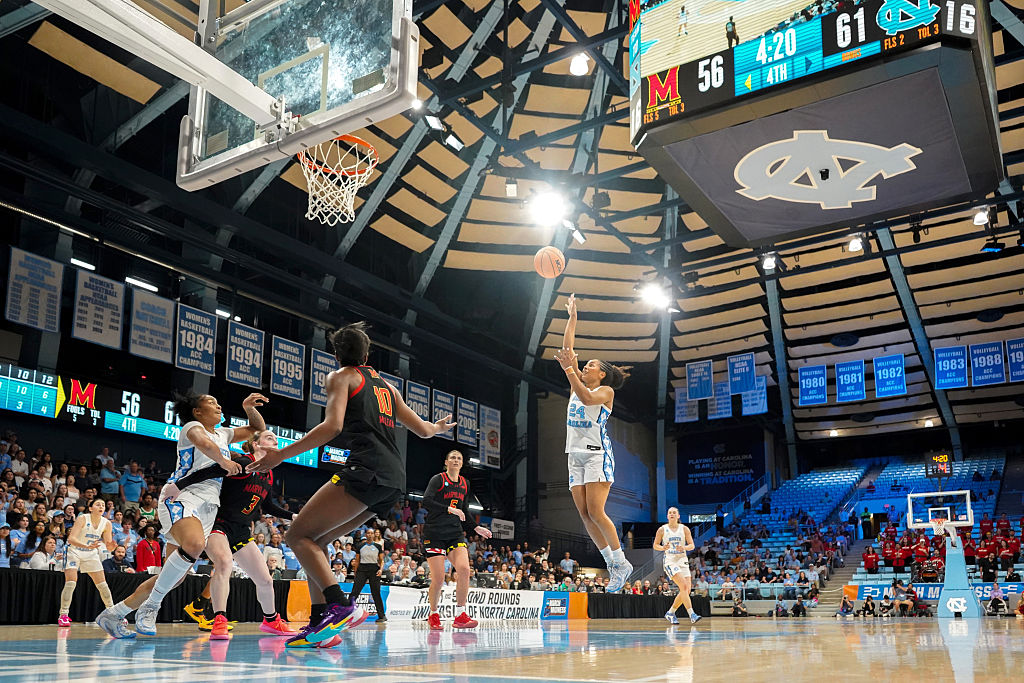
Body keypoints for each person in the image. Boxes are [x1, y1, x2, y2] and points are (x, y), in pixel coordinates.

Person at [247, 321, 455, 647]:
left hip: (365, 469)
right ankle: (321, 627)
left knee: (296, 534)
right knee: (316, 540)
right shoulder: (388, 387)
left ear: (336, 354)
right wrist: (439, 428)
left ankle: (340, 604)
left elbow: (332, 427)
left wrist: (281, 454)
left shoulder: (341, 377)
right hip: (392, 480)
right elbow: (425, 431)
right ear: (367, 353)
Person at [94, 391, 265, 639]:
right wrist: (225, 461)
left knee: (173, 578)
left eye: (218, 402)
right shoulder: (192, 427)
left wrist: (248, 407)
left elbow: (257, 429)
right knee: (195, 545)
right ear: (197, 411)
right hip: (181, 495)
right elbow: (204, 444)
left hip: (208, 506)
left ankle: (113, 614)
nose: (218, 405)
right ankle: (151, 607)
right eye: (211, 403)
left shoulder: (224, 433)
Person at [161, 428, 296, 639]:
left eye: (277, 439)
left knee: (265, 580)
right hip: (218, 523)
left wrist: (292, 516)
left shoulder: (268, 473)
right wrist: (178, 486)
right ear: (256, 444)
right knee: (224, 563)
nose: (276, 441)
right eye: (270, 437)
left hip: (241, 529)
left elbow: (267, 505)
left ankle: (271, 621)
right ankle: (219, 621)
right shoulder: (244, 463)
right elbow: (210, 472)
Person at [553, 294, 632, 591]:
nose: (584, 366)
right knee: (584, 515)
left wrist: (570, 369)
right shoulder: (577, 382)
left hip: (597, 454)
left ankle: (622, 561)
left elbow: (586, 397)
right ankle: (613, 565)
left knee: (597, 512)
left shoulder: (605, 391)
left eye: (590, 366)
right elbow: (568, 350)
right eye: (583, 365)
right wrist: (573, 318)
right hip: (574, 455)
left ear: (601, 373)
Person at [421, 449, 493, 630]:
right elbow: (426, 501)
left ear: (461, 464)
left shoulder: (465, 483)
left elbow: (465, 511)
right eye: (452, 457)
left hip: (454, 533)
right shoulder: (438, 479)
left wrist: (475, 527)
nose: (455, 460)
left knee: (464, 569)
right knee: (438, 579)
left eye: (459, 458)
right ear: (446, 462)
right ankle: (433, 614)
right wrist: (449, 509)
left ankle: (460, 614)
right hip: (435, 533)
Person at [59, 498, 117, 626]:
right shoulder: (83, 518)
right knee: (71, 583)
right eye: (97, 504)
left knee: (103, 585)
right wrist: (86, 546)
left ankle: (113, 614)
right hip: (74, 551)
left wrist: (113, 546)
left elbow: (108, 546)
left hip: (91, 553)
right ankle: (63, 615)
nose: (101, 506)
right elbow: (71, 539)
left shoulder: (106, 523)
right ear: (90, 508)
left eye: (103, 504)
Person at [653, 507, 701, 625]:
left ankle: (670, 612)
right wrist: (663, 547)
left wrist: (683, 547)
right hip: (670, 560)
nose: (672, 514)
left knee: (687, 590)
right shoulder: (662, 529)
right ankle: (692, 614)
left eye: (674, 512)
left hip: (682, 559)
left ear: (678, 516)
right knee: (683, 586)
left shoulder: (684, 529)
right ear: (667, 516)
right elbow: (655, 545)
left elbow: (692, 545)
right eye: (670, 513)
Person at [349, 528, 386, 624]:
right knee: (354, 592)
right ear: (366, 534)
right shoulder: (360, 546)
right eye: (368, 533)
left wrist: (381, 570)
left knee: (376, 593)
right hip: (362, 569)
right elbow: (357, 561)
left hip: (374, 570)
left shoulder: (378, 546)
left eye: (371, 533)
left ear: (374, 535)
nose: (370, 535)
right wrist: (356, 573)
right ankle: (346, 614)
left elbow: (381, 561)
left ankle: (382, 616)